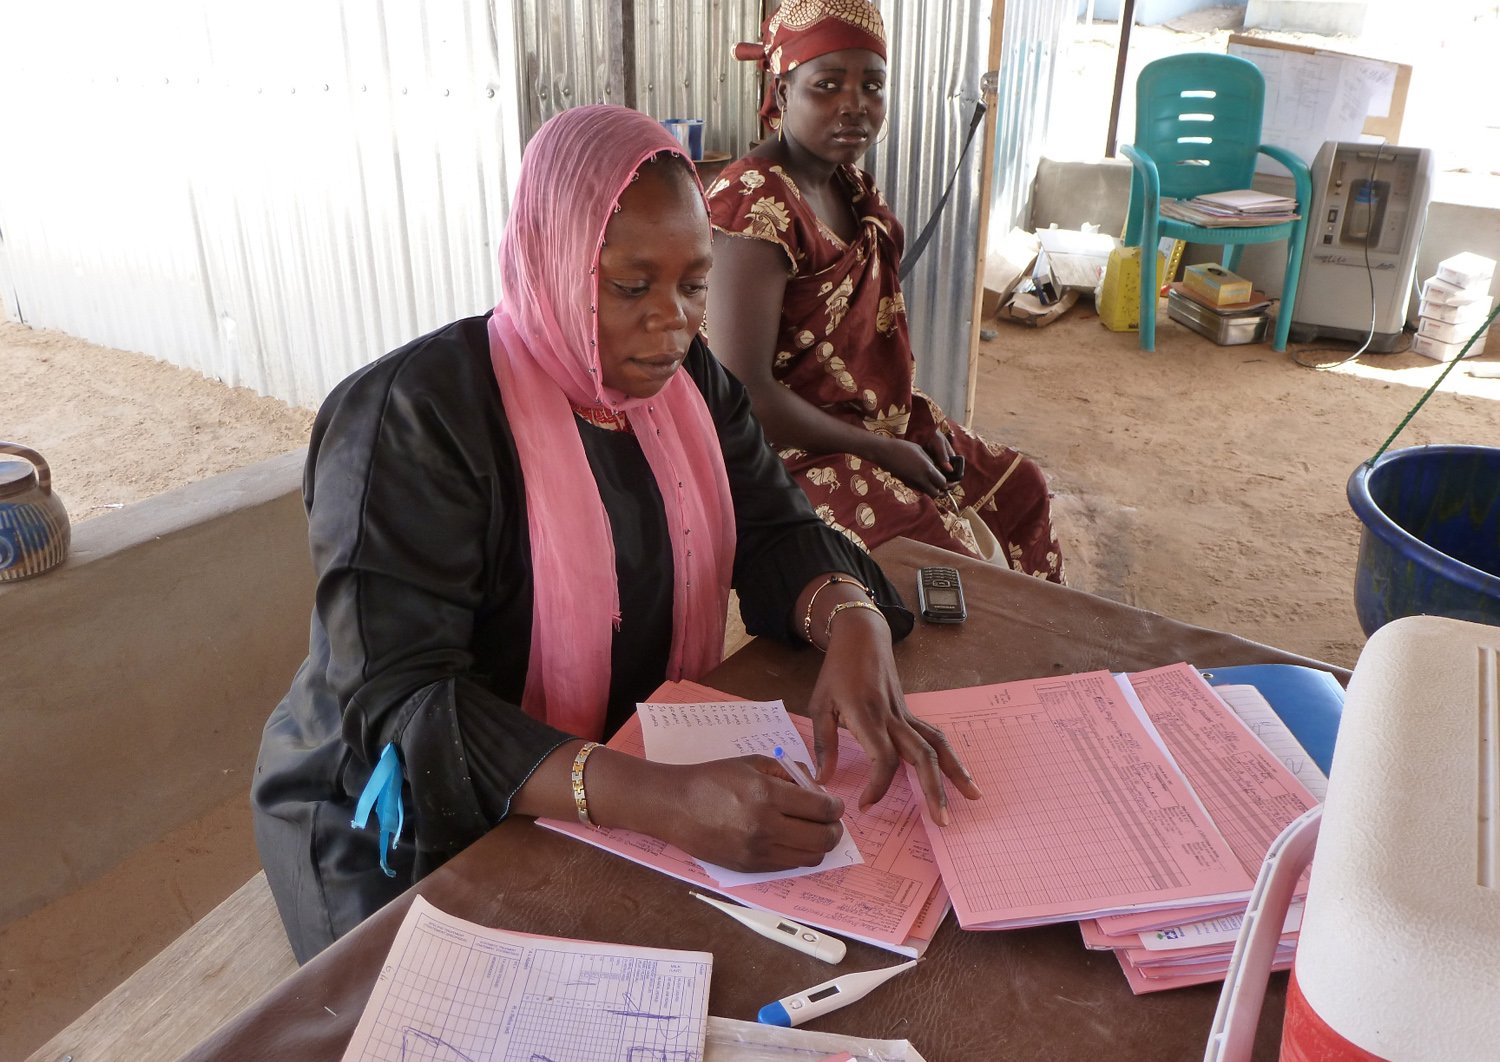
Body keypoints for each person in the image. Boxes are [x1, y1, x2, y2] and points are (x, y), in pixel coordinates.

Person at [251, 104, 980, 964]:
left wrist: (850, 620)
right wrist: (654, 798)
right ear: (552, 258)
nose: (673, 322)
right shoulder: (414, 420)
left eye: (695, 282)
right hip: (391, 806)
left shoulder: (684, 386)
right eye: (632, 286)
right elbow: (409, 704)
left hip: (614, 762)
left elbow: (776, 526)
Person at [705, 0, 1065, 581]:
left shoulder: (848, 186)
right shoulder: (755, 202)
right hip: (780, 452)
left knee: (1020, 487)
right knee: (947, 559)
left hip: (866, 427)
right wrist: (881, 450)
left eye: (873, 85)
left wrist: (907, 429)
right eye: (827, 85)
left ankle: (1045, 660)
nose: (855, 105)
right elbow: (743, 394)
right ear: (782, 91)